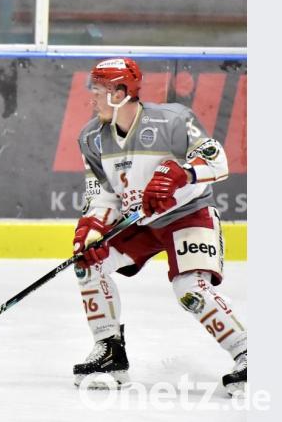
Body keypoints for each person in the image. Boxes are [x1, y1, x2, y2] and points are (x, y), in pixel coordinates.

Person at [71, 57, 247, 395]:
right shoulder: (91, 137)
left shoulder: (173, 119)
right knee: (88, 262)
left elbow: (217, 160)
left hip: (188, 214)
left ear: (121, 92)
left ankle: (248, 352)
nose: (91, 98)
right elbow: (104, 194)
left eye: (98, 90)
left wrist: (182, 172)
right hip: (140, 221)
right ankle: (110, 351)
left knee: (190, 289)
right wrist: (91, 226)